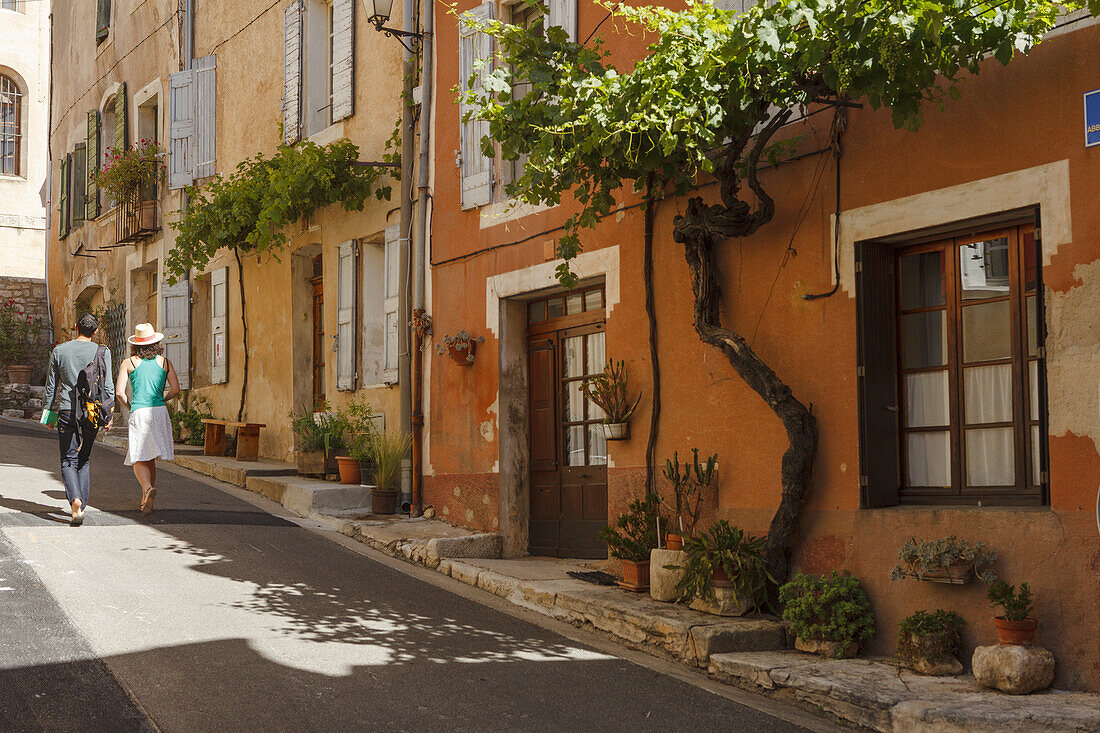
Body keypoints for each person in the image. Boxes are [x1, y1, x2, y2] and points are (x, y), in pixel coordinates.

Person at [43, 312, 114, 526]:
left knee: (67, 459)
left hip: (66, 410)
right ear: (95, 331)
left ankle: (74, 500)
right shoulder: (103, 351)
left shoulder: (60, 350)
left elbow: (51, 386)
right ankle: (80, 505)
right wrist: (108, 415)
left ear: (75, 328)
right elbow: (107, 385)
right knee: (84, 459)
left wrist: (48, 414)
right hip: (91, 412)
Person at [115, 323, 180, 515]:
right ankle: (145, 499)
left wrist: (129, 406)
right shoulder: (165, 362)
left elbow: (119, 392)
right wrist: (163, 399)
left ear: (136, 344)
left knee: (138, 456)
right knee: (150, 455)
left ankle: (147, 489)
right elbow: (176, 389)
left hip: (140, 411)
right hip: (159, 411)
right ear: (156, 343)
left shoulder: (129, 363)